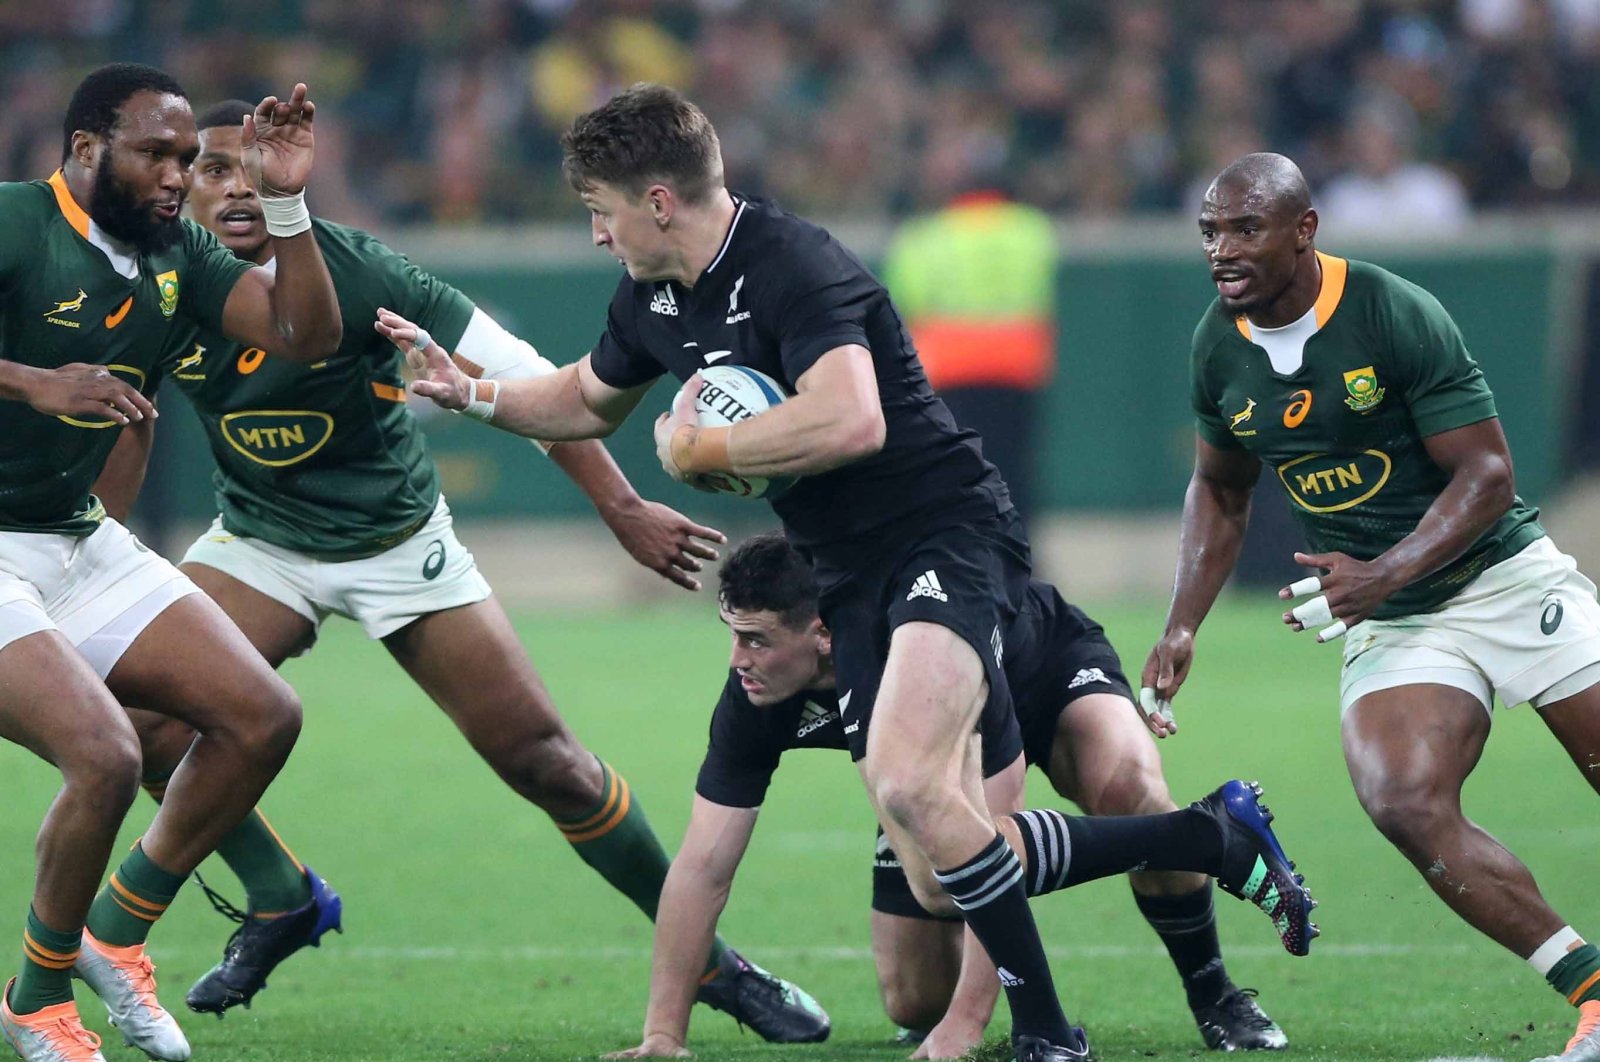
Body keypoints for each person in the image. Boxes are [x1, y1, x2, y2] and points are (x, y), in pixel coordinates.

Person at [400, 83, 1315, 1062]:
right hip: (845, 578)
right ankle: (1204, 837)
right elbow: (584, 396)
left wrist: (707, 454)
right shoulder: (651, 299)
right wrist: (474, 395)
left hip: (943, 536)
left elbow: (852, 418)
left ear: (657, 202)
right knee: (932, 873)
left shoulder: (792, 265)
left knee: (918, 785)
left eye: (599, 212)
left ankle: (1049, 1033)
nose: (595, 236)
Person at [90, 100, 828, 1046]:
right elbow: (121, 412)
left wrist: (621, 506)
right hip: (260, 543)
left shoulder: (356, 270)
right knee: (144, 720)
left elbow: (536, 387)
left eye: (249, 168)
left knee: (549, 765)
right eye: (211, 169)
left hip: (399, 546)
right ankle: (280, 895)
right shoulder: (161, 281)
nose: (234, 187)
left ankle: (715, 967)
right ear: (180, 184)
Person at [1142, 151, 1600, 1062]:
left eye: (1244, 229)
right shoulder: (1216, 343)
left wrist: (1383, 571)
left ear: (1304, 230)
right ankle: (1593, 994)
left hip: (1505, 580)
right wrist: (1184, 620)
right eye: (1209, 231)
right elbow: (1220, 490)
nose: (1221, 250)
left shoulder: (1392, 310)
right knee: (1401, 796)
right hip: (1395, 615)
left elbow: (1488, 474)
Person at [612, 532, 1293, 1059]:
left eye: (755, 640)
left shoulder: (912, 662)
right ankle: (1202, 832)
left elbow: (996, 834)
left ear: (823, 634)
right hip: (926, 758)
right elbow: (702, 865)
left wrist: (969, 1026)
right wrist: (663, 1032)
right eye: (734, 636)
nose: (738, 660)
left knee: (1130, 791)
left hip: (1041, 668)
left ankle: (1215, 991)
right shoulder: (755, 696)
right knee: (913, 1002)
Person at [0, 63, 343, 1062]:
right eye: (156, 153)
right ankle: (36, 1002)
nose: (176, 175)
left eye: (187, 159)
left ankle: (109, 937)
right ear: (82, 150)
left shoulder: (175, 253)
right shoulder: (19, 225)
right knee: (105, 754)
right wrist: (32, 382)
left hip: (73, 537)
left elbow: (306, 333)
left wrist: (286, 206)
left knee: (261, 715)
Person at [881, 186, 1056, 522]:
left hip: (951, 372)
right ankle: (1021, 554)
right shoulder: (1030, 230)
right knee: (1015, 472)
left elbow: (905, 304)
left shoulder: (924, 238)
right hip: (1017, 370)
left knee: (957, 472)